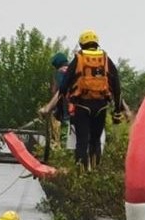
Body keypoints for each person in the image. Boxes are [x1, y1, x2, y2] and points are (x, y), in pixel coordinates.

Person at [38, 30, 123, 169]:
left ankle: (80, 173)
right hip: (101, 106)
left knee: (82, 141)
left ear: (82, 44)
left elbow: (64, 86)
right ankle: (95, 173)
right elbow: (117, 85)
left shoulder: (79, 58)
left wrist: (58, 110)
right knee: (95, 141)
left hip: (82, 106)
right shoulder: (105, 59)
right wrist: (117, 110)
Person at [48, 52, 71, 148]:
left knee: (64, 134)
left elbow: (60, 90)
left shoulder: (60, 72)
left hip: (67, 109)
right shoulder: (73, 70)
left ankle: (62, 154)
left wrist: (50, 107)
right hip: (82, 107)